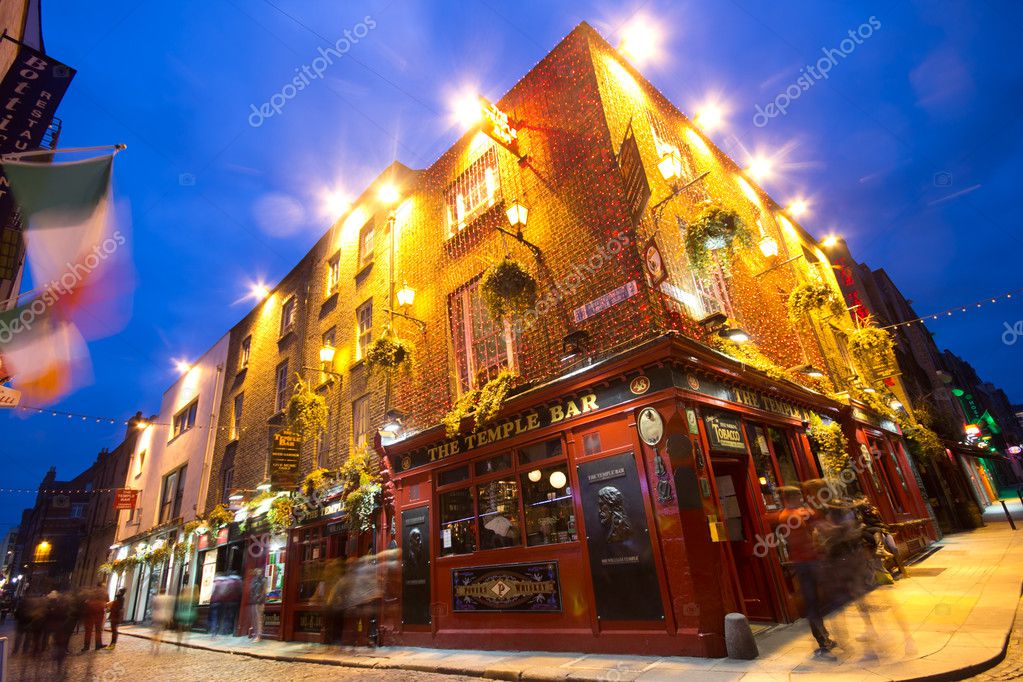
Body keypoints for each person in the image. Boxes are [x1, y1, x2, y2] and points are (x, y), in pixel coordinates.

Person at [779, 485, 838, 659]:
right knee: (812, 600)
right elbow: (808, 527)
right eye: (798, 496)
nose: (801, 498)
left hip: (811, 559)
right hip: (805, 562)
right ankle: (822, 639)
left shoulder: (797, 512)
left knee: (819, 599)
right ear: (789, 498)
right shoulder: (789, 516)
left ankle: (825, 636)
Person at [81, 583, 107, 651]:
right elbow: (107, 601)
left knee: (88, 630)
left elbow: (86, 601)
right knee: (98, 630)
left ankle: (86, 646)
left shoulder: (91, 592)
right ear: (102, 586)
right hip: (99, 613)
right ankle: (98, 645)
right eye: (104, 586)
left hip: (90, 612)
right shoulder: (104, 593)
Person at [247, 569, 266, 642]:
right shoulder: (254, 580)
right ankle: (255, 635)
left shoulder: (263, 580)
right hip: (254, 601)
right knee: (254, 619)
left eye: (260, 572)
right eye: (257, 572)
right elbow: (251, 590)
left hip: (260, 602)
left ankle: (259, 636)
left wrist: (260, 599)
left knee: (259, 619)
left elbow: (264, 591)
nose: (258, 573)